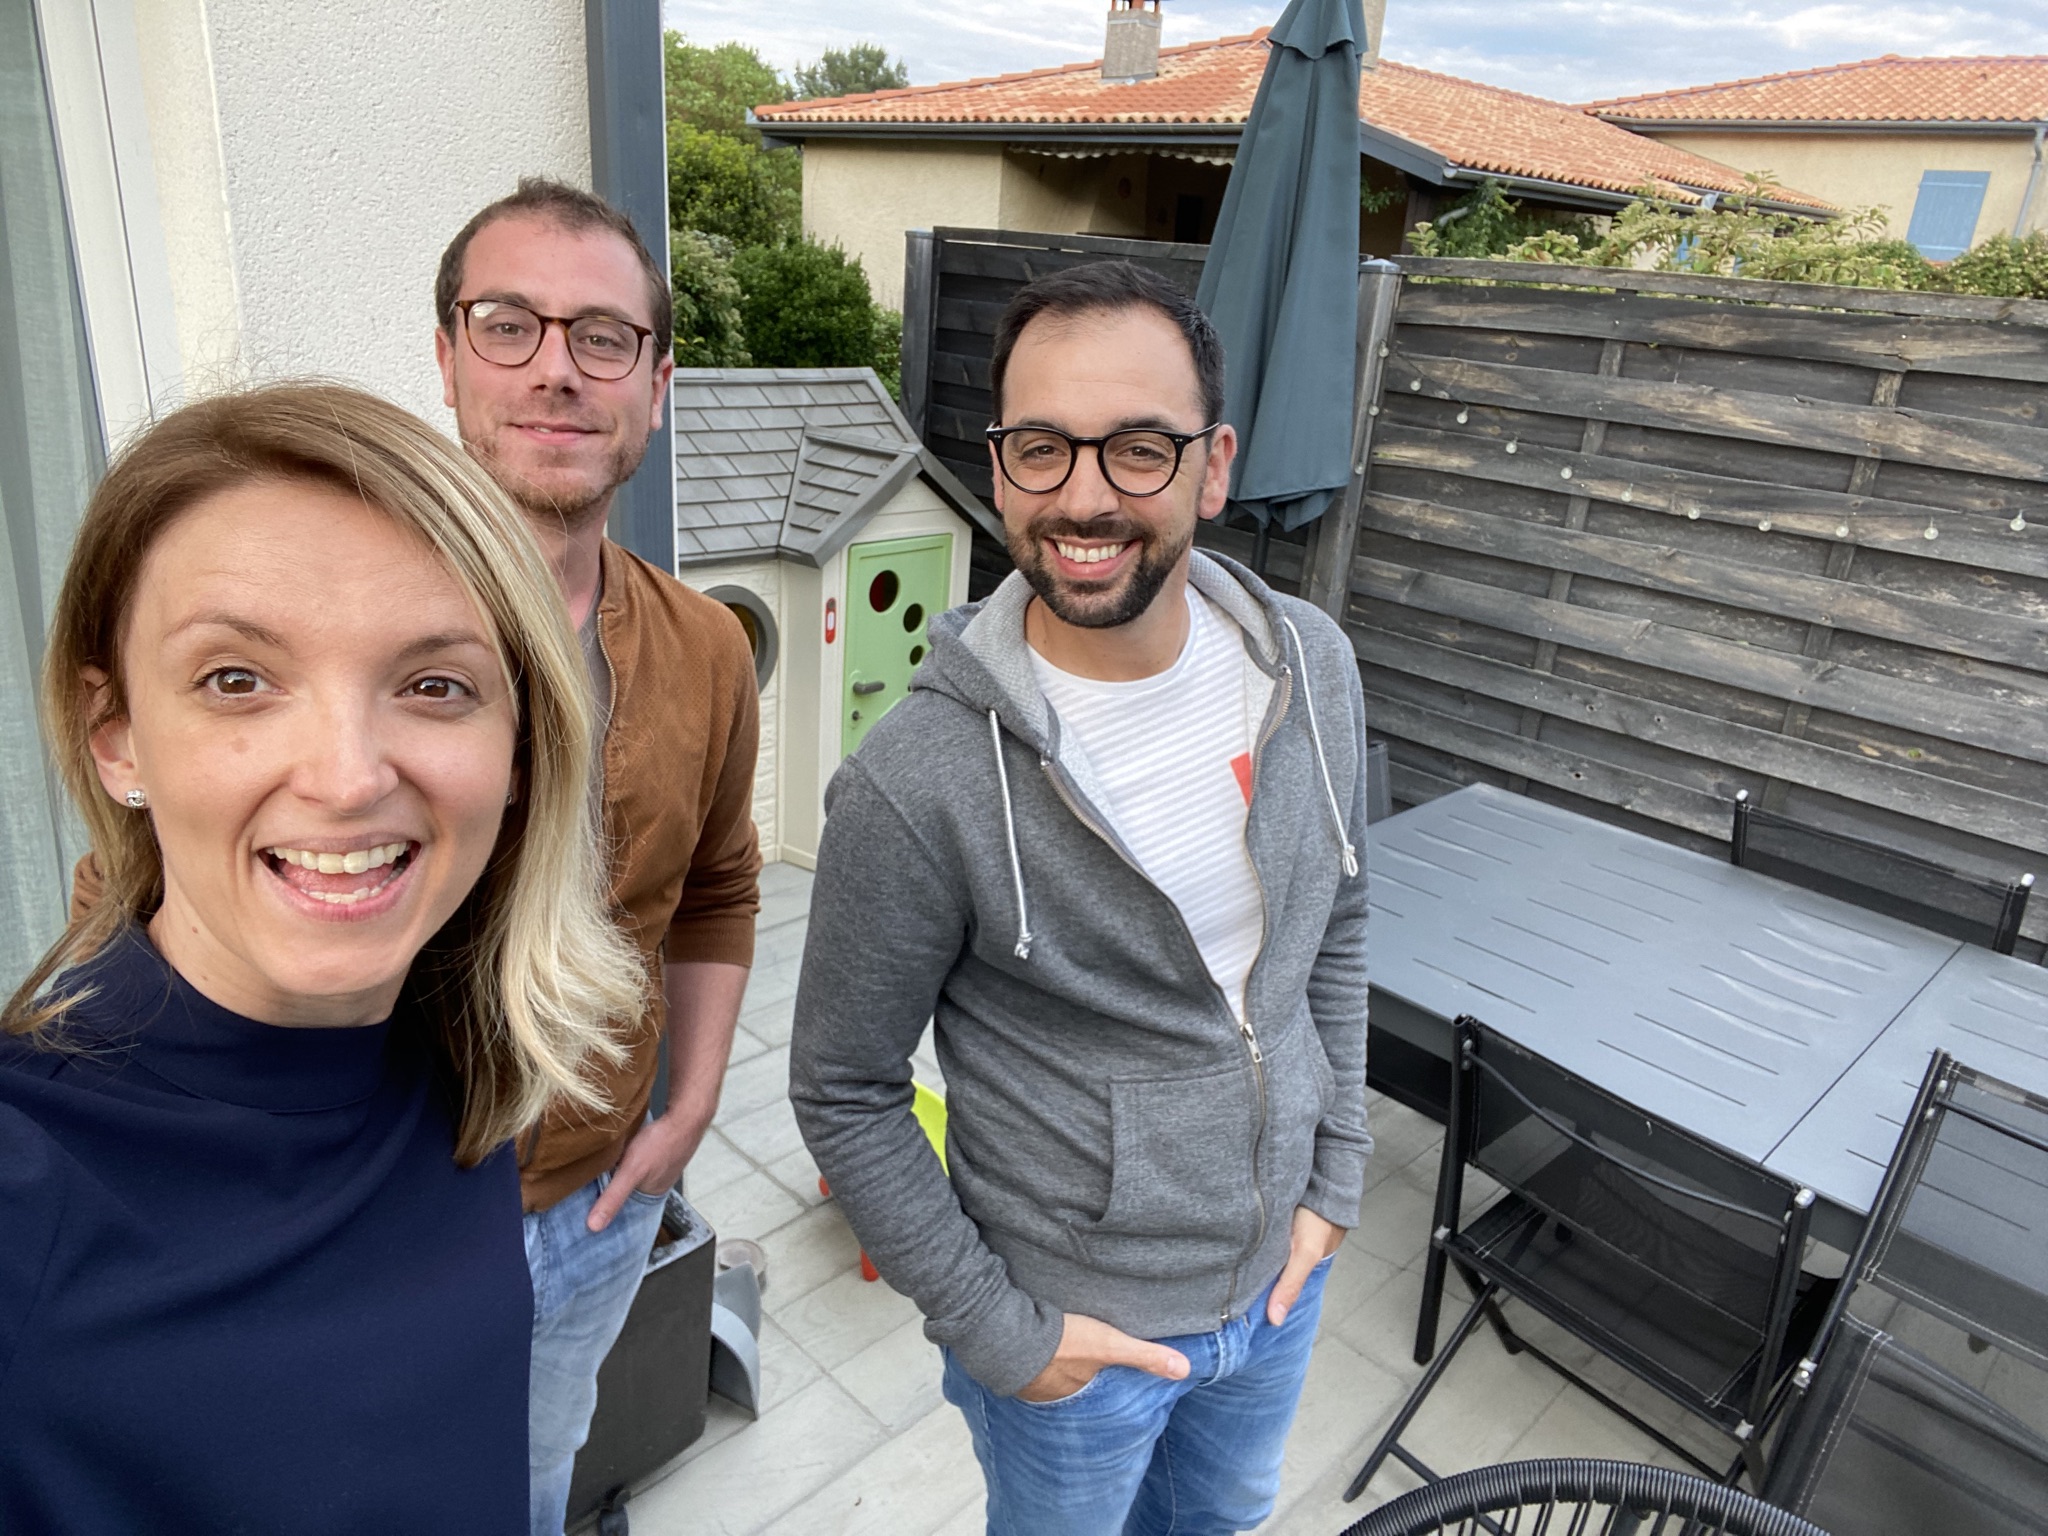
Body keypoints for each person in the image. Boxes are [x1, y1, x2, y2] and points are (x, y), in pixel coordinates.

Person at [790, 260, 1373, 1535]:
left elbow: (1335, 922)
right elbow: (842, 1087)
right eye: (1041, 448)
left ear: (1213, 468)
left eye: (1139, 449)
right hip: (1074, 1336)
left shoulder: (1312, 669)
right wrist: (999, 1330)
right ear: (999, 468)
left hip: (1280, 1288)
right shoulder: (916, 781)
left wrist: (1336, 1172)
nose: (1084, 497)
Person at [0, 382, 644, 1535]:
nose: (346, 778)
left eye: (434, 685)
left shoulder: (463, 1042)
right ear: (118, 739)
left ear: (518, 752)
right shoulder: (29, 1187)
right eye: (235, 680)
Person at [433, 178, 763, 1534]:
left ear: (657, 386)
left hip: (594, 1208)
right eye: (509, 324)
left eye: (604, 338)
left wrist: (689, 1108)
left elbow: (720, 885)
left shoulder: (706, 648)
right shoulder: (323, 623)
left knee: (534, 1476)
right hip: (367, 1215)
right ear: (448, 357)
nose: (557, 369)